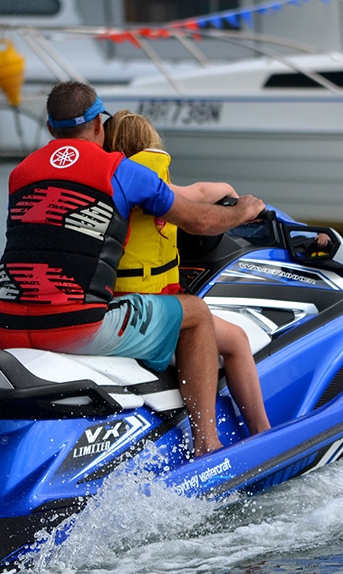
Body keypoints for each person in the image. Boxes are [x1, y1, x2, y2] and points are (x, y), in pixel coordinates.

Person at [0, 81, 266, 456]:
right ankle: (207, 444)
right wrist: (243, 212)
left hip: (5, 327)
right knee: (197, 314)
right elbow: (199, 221)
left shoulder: (21, 172)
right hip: (74, 326)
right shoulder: (119, 171)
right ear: (99, 126)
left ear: (51, 129)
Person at [103, 109, 270, 437]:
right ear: (149, 146)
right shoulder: (156, 189)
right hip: (150, 307)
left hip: (113, 307)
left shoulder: (105, 187)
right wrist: (240, 203)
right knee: (236, 340)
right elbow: (206, 194)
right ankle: (261, 433)